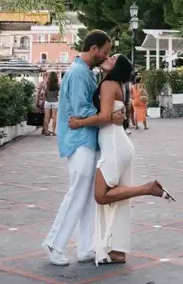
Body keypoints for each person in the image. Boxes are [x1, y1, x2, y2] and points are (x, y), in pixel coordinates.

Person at [69, 55, 170, 265]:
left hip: (114, 144)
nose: (108, 58)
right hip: (119, 143)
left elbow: (105, 116)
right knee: (118, 198)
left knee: (101, 195)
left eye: (113, 59)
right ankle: (117, 251)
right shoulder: (117, 85)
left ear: (117, 68)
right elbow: (114, 115)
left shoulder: (108, 84)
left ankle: (149, 188)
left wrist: (80, 123)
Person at [42, 30, 124, 266]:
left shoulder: (85, 73)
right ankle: (54, 243)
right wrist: (108, 117)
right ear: (93, 49)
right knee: (77, 194)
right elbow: (81, 110)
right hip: (80, 141)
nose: (106, 56)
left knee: (87, 196)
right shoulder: (79, 74)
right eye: (105, 52)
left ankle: (85, 247)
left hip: (85, 140)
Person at [44, 72, 60, 136]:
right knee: (54, 117)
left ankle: (47, 131)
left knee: (46, 116)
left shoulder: (46, 84)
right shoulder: (58, 85)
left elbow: (44, 93)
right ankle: (53, 132)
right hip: (55, 102)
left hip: (47, 101)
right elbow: (59, 93)